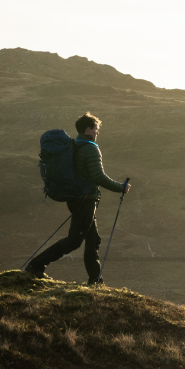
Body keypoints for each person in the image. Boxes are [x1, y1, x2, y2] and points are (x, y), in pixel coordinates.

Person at [27, 113, 131, 284]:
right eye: (96, 129)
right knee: (74, 240)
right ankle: (36, 266)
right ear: (88, 129)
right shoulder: (90, 147)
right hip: (85, 199)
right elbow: (98, 176)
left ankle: (95, 281)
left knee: (93, 239)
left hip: (76, 198)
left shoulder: (73, 146)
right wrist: (121, 188)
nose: (97, 133)